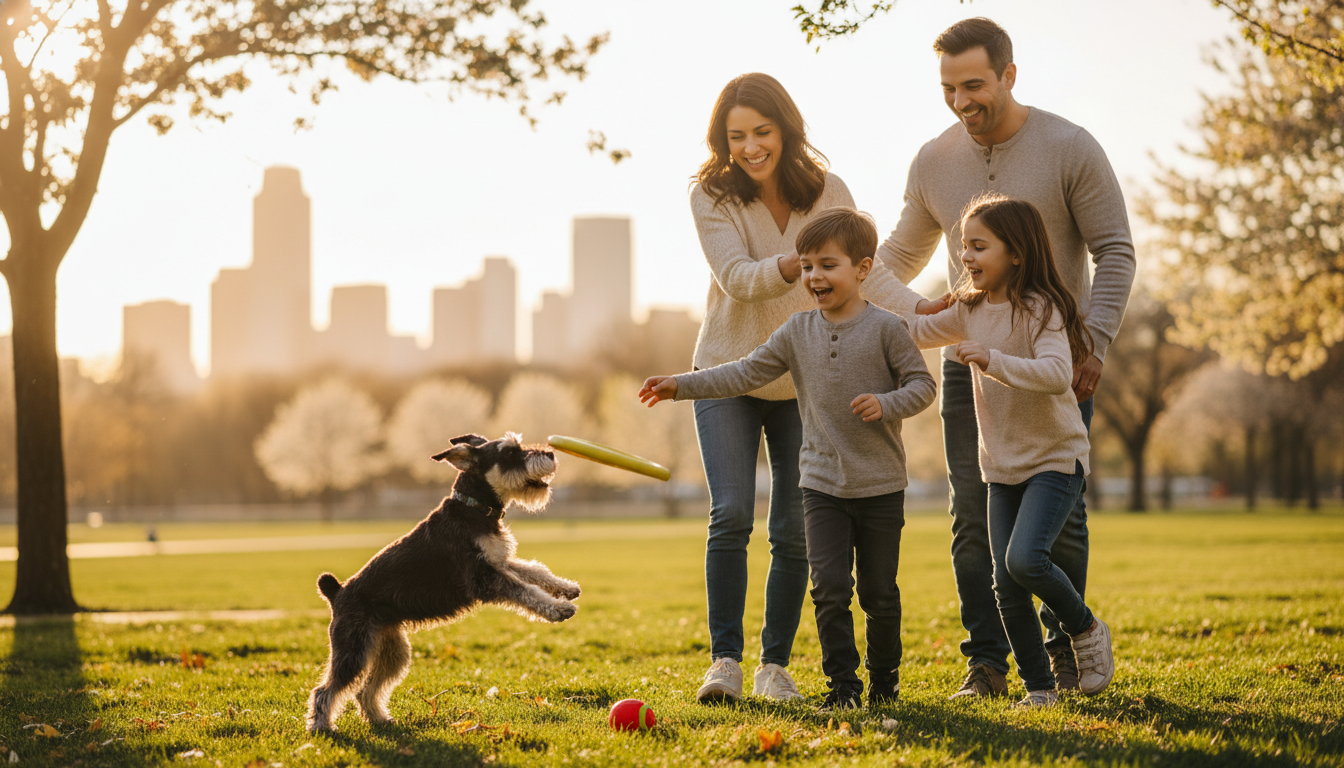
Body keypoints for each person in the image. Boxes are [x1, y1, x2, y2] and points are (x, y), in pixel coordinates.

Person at [877, 17, 1135, 698]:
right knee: (973, 517)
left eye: (974, 85)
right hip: (973, 367)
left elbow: (1116, 250)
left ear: (1008, 75)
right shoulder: (934, 161)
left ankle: (1066, 652)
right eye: (948, 88)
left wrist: (1096, 341)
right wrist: (916, 313)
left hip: (1058, 358)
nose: (962, 101)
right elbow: (894, 260)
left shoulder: (1069, 146)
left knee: (1061, 523)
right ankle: (989, 663)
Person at [687, 73, 934, 703]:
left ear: (785, 129)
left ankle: (773, 665)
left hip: (804, 384)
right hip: (729, 370)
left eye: (761, 132)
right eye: (736, 135)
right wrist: (802, 261)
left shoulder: (830, 191)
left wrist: (926, 312)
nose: (749, 147)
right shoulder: (712, 194)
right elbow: (739, 278)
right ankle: (724, 663)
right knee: (732, 514)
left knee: (793, 529)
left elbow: (866, 279)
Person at [642, 207, 937, 710]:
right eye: (807, 267)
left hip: (880, 486)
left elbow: (923, 386)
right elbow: (743, 372)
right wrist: (681, 386)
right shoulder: (797, 331)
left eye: (828, 265)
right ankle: (842, 687)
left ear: (863, 269)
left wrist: (887, 404)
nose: (814, 277)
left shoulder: (889, 329)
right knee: (828, 590)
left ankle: (884, 684)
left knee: (878, 594)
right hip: (820, 485)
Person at [906, 195, 1115, 708]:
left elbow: (1053, 374)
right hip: (1000, 466)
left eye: (979, 246)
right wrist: (853, 300)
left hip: (1053, 458)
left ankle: (1085, 627)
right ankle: (1039, 689)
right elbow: (909, 332)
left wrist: (993, 359)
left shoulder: (1043, 308)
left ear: (1016, 252)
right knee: (1005, 582)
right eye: (963, 248)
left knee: (1025, 559)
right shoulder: (968, 310)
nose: (967, 258)